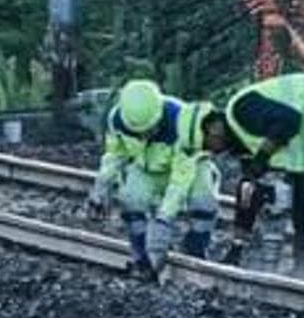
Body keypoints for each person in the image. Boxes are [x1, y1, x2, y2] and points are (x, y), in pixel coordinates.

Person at [216, 72, 304, 277]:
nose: (215, 152)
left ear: (215, 129)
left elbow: (290, 120)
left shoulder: (242, 110)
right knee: (303, 193)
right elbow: (248, 189)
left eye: (211, 146)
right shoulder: (242, 135)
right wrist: (238, 242)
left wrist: (262, 159)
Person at [85, 78, 224, 277]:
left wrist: (164, 219)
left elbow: (181, 178)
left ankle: (196, 250)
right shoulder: (116, 120)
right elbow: (115, 155)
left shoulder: (181, 121)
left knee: (204, 201)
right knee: (131, 200)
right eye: (138, 132)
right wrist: (101, 186)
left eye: (149, 129)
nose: (144, 136)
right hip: (147, 168)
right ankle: (142, 260)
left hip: (190, 167)